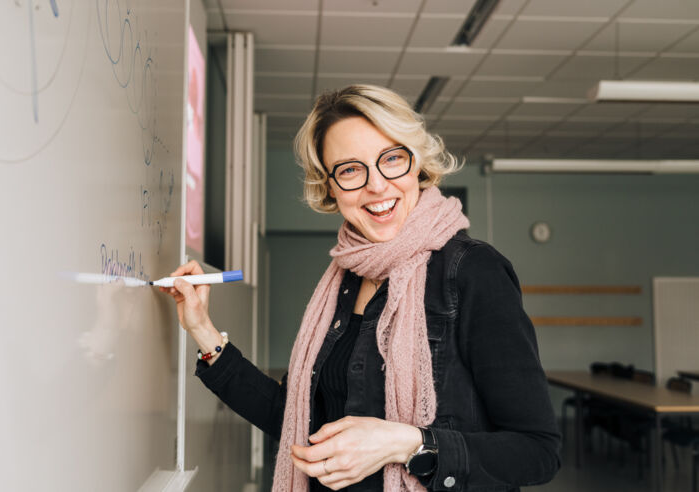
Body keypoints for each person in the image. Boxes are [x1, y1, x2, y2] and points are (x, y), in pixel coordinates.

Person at [161, 85, 561, 491]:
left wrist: (404, 444)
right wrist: (202, 330)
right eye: (351, 170)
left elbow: (537, 451)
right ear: (330, 187)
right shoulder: (344, 279)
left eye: (391, 159)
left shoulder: (473, 270)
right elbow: (298, 419)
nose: (377, 186)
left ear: (416, 164)